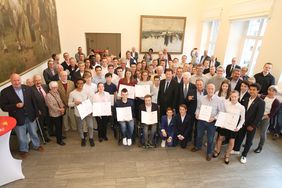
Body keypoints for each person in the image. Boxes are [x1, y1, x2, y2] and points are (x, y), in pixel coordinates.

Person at [0, 73, 43, 158]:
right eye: (14, 80)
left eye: (18, 80)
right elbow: (3, 107)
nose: (17, 82)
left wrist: (36, 113)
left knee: (34, 132)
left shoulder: (27, 88)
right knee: (21, 136)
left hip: (30, 116)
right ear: (11, 81)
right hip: (17, 118)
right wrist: (15, 105)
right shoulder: (5, 92)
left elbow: (33, 102)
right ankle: (23, 150)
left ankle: (36, 145)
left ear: (21, 80)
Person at [232, 83, 265, 164]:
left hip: (251, 125)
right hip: (243, 123)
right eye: (251, 89)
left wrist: (253, 125)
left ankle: (244, 155)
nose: (252, 91)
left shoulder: (261, 102)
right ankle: (236, 149)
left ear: (258, 91)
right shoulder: (245, 99)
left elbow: (259, 116)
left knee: (248, 141)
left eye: (254, 90)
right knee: (239, 137)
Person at [192, 83, 224, 161]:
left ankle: (209, 152)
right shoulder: (202, 98)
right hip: (201, 120)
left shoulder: (219, 100)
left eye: (212, 89)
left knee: (210, 139)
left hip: (211, 122)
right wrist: (197, 113)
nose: (210, 90)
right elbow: (198, 108)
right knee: (199, 135)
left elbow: (221, 112)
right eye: (209, 88)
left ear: (214, 90)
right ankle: (198, 146)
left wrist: (214, 118)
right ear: (206, 89)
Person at [213, 91, 245, 164]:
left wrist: (238, 127)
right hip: (224, 125)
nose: (233, 98)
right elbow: (223, 114)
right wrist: (220, 123)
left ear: (238, 97)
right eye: (232, 96)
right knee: (220, 138)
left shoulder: (241, 107)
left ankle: (227, 155)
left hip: (233, 127)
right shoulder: (226, 104)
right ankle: (217, 151)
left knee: (231, 141)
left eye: (235, 96)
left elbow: (243, 119)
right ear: (230, 96)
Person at [68, 78, 95, 147]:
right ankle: (83, 139)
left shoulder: (87, 91)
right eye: (79, 83)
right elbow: (69, 104)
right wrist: (74, 103)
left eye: (82, 83)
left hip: (87, 112)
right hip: (78, 113)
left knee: (90, 126)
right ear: (76, 84)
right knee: (80, 127)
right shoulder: (72, 93)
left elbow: (91, 101)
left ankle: (91, 138)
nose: (80, 85)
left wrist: (91, 110)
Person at [254, 86, 280, 153]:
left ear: (276, 93)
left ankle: (260, 147)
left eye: (273, 91)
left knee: (263, 133)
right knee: (252, 130)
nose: (270, 92)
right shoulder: (262, 97)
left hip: (266, 118)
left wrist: (262, 117)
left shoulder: (276, 102)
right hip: (257, 115)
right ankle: (249, 143)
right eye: (269, 90)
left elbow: (271, 114)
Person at [31, 74, 51, 143]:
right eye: (36, 80)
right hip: (39, 110)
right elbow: (32, 102)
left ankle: (51, 133)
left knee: (49, 121)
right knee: (41, 124)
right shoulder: (31, 89)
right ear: (33, 81)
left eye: (39, 80)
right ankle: (44, 137)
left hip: (48, 107)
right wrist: (37, 110)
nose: (38, 82)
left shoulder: (45, 86)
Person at [45, 81, 65, 146]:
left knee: (60, 126)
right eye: (53, 87)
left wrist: (62, 108)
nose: (55, 89)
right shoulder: (48, 96)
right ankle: (59, 141)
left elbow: (60, 101)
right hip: (54, 114)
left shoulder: (57, 93)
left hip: (60, 112)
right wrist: (60, 109)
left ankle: (60, 136)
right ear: (50, 88)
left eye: (56, 87)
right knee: (57, 127)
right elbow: (51, 106)